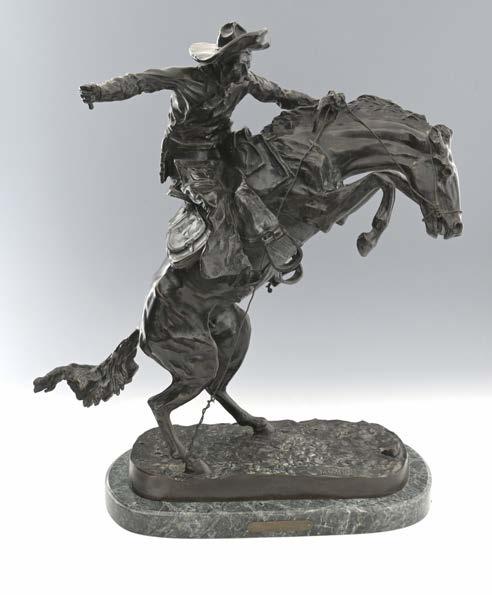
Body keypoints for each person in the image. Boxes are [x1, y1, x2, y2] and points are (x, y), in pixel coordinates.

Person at [80, 22, 319, 278]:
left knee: (267, 167)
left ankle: (272, 239)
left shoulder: (245, 81)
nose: (244, 70)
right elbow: (140, 81)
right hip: (187, 155)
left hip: (221, 145)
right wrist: (101, 91)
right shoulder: (187, 79)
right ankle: (228, 266)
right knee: (218, 205)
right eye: (238, 64)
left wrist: (318, 105)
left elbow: (281, 95)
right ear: (221, 61)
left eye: (247, 63)